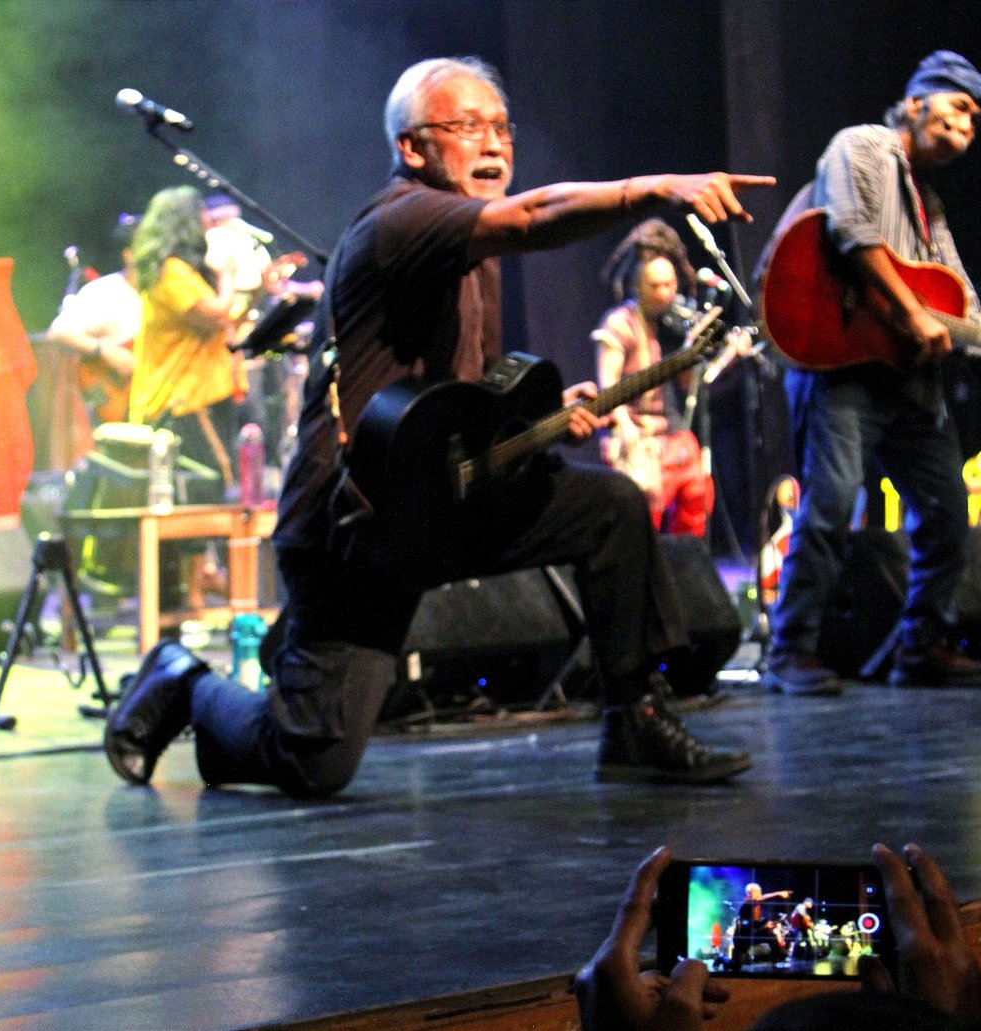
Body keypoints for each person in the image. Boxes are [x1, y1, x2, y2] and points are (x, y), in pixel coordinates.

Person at [102, 56, 775, 795]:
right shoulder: (405, 218)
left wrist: (542, 418)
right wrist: (655, 189)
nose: (493, 144)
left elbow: (466, 394)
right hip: (354, 523)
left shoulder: (473, 251)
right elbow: (533, 216)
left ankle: (637, 720)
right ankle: (185, 680)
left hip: (434, 503)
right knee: (312, 760)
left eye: (500, 127)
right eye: (465, 127)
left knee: (607, 507)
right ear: (412, 149)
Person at [760, 51, 981, 695]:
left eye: (975, 120)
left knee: (945, 512)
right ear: (915, 103)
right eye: (959, 107)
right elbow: (851, 231)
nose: (968, 126)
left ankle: (920, 648)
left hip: (906, 381)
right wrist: (912, 313)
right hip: (840, 361)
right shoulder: (862, 146)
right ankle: (789, 651)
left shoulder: (928, 205)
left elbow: (958, 302)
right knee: (828, 506)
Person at [574, 842, 981, 1031]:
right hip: (753, 941)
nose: (756, 893)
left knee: (783, 942)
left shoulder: (772, 914)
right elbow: (761, 905)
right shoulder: (751, 908)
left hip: (768, 940)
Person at [127, 185, 246, 606]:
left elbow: (225, 320)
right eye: (202, 218)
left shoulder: (182, 272)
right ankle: (193, 597)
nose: (208, 226)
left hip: (197, 396)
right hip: (181, 400)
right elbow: (216, 315)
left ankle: (198, 588)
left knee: (205, 490)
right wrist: (230, 272)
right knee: (202, 489)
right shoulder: (170, 271)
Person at [593, 219, 715, 535]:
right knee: (645, 515)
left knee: (699, 493)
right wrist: (626, 427)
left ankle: (686, 569)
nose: (664, 293)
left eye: (670, 284)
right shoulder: (621, 323)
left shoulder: (672, 324)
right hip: (635, 437)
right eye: (655, 285)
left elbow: (688, 386)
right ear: (638, 286)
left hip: (669, 435)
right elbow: (607, 385)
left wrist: (693, 351)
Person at [44, 212, 140, 426]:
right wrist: (106, 351)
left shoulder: (164, 294)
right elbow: (58, 332)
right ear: (129, 255)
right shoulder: (107, 291)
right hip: (115, 405)